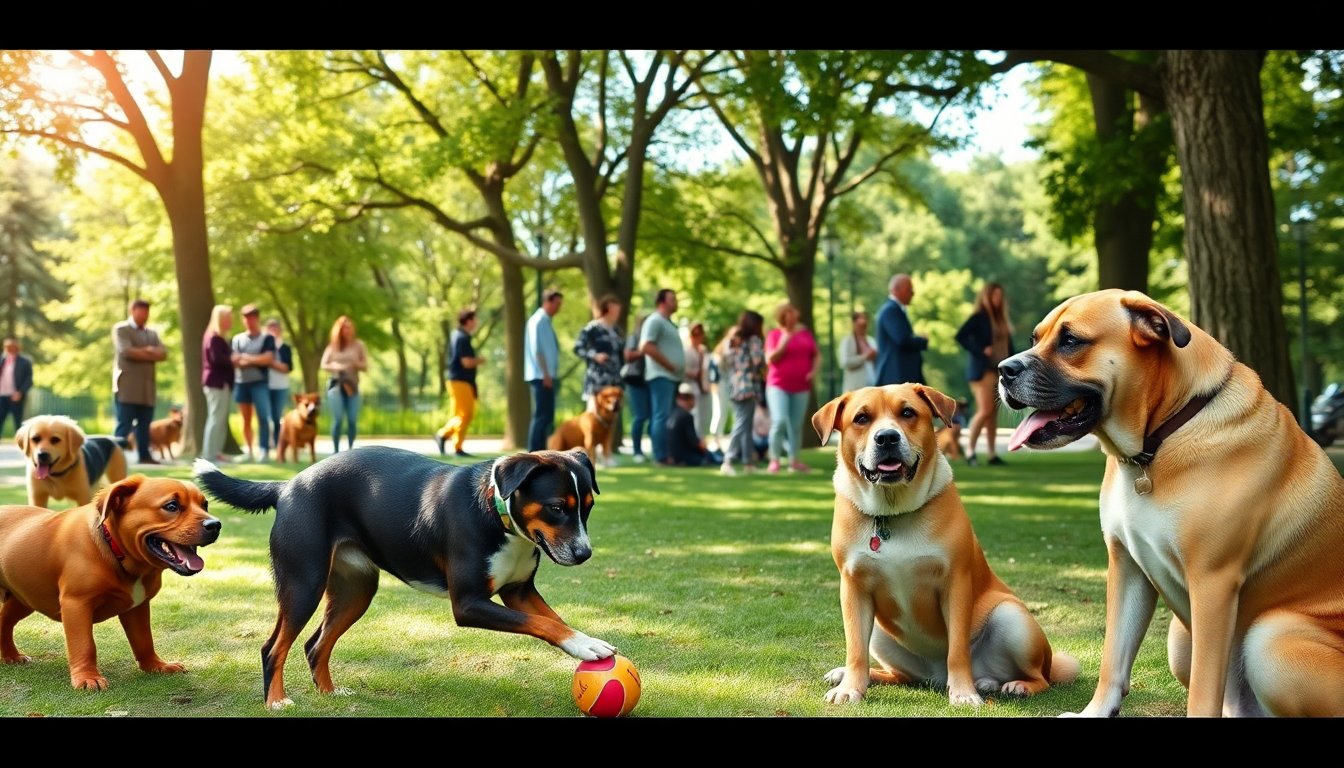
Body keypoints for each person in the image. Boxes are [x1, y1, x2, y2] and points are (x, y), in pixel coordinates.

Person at [955, 282, 1015, 466]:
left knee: (993, 414)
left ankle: (991, 454)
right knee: (985, 410)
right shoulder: (980, 317)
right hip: (982, 370)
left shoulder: (1002, 319)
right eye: (994, 296)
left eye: (1000, 296)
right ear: (987, 297)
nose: (998, 299)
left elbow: (1008, 346)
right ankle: (970, 452)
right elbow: (961, 336)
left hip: (998, 370)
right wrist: (981, 350)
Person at [764, 301, 819, 474]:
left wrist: (813, 371)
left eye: (794, 311)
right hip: (778, 385)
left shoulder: (804, 334)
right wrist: (784, 341)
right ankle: (774, 460)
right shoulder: (774, 334)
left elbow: (816, 355)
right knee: (779, 421)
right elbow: (770, 359)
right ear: (783, 316)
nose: (795, 314)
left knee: (795, 425)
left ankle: (794, 461)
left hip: (801, 386)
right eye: (790, 311)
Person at [111, 298, 167, 465]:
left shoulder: (152, 333)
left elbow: (163, 354)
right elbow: (127, 352)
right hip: (127, 386)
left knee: (145, 424)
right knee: (124, 424)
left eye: (147, 312)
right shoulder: (121, 329)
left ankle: (144, 455)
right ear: (132, 311)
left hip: (147, 388)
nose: (145, 315)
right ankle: (115, 457)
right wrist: (150, 351)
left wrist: (146, 352)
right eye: (141, 311)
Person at [639, 289, 685, 466]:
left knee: (666, 416)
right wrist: (669, 365)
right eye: (672, 299)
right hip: (661, 376)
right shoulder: (655, 320)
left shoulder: (668, 323)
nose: (676, 301)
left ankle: (668, 453)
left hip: (670, 377)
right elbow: (646, 346)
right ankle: (660, 456)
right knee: (661, 416)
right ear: (662, 301)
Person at [717, 310, 766, 477]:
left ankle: (748, 462)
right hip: (748, 386)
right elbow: (758, 361)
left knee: (745, 425)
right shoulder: (754, 340)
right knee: (742, 424)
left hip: (735, 385)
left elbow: (726, 363)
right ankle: (728, 460)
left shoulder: (733, 341)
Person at [435, 308, 485, 458]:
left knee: (460, 414)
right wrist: (480, 360)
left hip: (458, 381)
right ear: (468, 321)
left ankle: (453, 443)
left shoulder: (456, 335)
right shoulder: (463, 338)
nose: (476, 322)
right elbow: (466, 362)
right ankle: (445, 437)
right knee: (466, 414)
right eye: (474, 319)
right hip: (461, 381)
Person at [231, 304, 276, 462]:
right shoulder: (237, 339)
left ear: (257, 318)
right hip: (241, 383)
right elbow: (235, 361)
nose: (249, 321)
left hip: (260, 383)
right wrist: (256, 359)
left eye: (252, 317)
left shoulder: (267, 338)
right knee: (246, 419)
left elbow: (268, 359)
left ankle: (264, 449)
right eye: (246, 318)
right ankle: (249, 451)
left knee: (263, 416)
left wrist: (246, 358)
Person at [320, 314, 368, 453]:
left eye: (348, 328)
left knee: (352, 419)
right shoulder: (332, 347)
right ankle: (335, 452)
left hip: (352, 386)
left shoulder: (359, 345)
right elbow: (324, 364)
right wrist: (336, 366)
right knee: (338, 419)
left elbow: (365, 365)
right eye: (343, 328)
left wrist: (355, 364)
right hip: (336, 386)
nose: (346, 331)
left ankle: (350, 451)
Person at [524, 288, 563, 452]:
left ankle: (541, 450)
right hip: (540, 376)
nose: (559, 308)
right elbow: (537, 350)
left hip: (546, 375)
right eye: (557, 304)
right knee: (541, 415)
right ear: (547, 301)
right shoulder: (537, 321)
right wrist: (545, 373)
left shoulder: (546, 321)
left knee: (547, 415)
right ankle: (534, 451)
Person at [874, 273, 928, 386]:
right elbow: (902, 339)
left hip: (900, 374)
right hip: (897, 375)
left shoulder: (894, 309)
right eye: (910, 289)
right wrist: (922, 341)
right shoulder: (891, 310)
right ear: (896, 289)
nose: (913, 293)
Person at [200, 305, 235, 462]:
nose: (230, 321)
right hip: (216, 383)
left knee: (220, 419)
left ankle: (216, 452)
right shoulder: (213, 337)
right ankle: (209, 454)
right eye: (228, 318)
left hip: (223, 383)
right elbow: (217, 359)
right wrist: (235, 359)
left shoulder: (221, 338)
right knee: (215, 418)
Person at [665, 383, 722, 466]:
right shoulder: (686, 416)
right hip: (684, 455)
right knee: (709, 457)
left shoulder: (673, 414)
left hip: (672, 455)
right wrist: (704, 447)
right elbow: (694, 441)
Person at [621, 312, 651, 463]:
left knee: (652, 416)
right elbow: (628, 356)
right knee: (640, 416)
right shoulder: (634, 337)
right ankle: (637, 450)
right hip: (635, 379)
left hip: (649, 379)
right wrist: (644, 351)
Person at [265, 318, 293, 452]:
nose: (273, 331)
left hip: (280, 386)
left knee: (277, 415)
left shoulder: (284, 347)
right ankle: (267, 443)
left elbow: (287, 367)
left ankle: (277, 443)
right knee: (266, 416)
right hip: (265, 385)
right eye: (270, 328)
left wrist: (270, 362)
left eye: (275, 328)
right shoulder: (263, 347)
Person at [682, 321, 712, 440]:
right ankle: (694, 440)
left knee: (705, 415)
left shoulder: (702, 350)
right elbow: (682, 369)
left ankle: (702, 439)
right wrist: (694, 373)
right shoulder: (686, 350)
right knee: (695, 415)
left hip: (703, 386)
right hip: (691, 385)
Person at [0, 338, 34, 438]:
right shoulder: (2, 360)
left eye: (11, 347)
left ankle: (20, 439)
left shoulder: (24, 362)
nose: (9, 349)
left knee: (18, 419)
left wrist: (20, 392)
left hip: (16, 395)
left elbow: (29, 380)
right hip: (1, 395)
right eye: (7, 347)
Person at [838, 310, 877, 393]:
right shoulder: (847, 341)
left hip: (873, 386)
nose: (862, 327)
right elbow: (844, 362)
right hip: (855, 389)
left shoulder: (871, 341)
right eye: (860, 324)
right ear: (854, 324)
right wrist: (864, 357)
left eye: (864, 325)